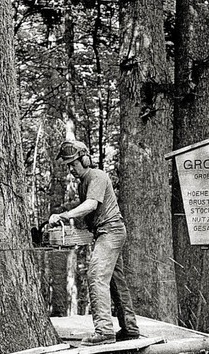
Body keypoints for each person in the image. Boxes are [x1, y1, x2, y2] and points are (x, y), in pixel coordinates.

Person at [48, 140, 140, 346]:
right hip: (104, 232)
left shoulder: (97, 176)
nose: (71, 169)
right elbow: (90, 215)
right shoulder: (84, 183)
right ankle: (131, 329)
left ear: (85, 159)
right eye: (68, 165)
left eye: (74, 163)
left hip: (111, 232)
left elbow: (91, 205)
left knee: (96, 275)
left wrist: (63, 216)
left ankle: (104, 331)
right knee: (117, 282)